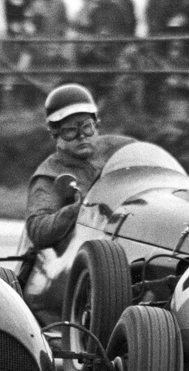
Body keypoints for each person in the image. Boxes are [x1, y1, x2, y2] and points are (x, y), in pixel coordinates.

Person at [25, 83, 137, 250]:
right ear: (56, 134)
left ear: (96, 125)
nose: (82, 136)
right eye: (70, 130)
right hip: (87, 252)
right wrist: (78, 208)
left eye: (87, 127)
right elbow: (38, 229)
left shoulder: (123, 148)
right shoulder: (50, 174)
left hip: (132, 233)